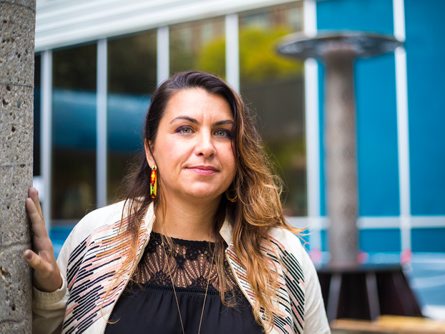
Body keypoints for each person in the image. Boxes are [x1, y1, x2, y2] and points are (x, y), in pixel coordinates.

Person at [24, 71, 329, 334]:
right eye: (186, 129)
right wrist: (49, 293)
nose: (206, 147)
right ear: (150, 149)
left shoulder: (282, 254)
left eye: (222, 132)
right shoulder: (96, 237)